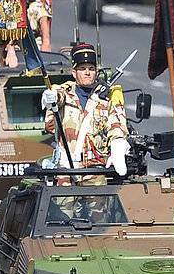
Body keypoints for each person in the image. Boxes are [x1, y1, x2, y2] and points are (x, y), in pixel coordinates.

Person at [39, 40, 129, 179]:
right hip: (65, 170)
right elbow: (57, 100)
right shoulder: (65, 92)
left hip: (95, 169)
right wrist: (51, 98)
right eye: (82, 69)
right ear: (74, 73)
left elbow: (116, 124)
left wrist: (118, 145)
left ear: (96, 72)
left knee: (99, 200)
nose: (87, 73)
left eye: (91, 69)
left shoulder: (106, 98)